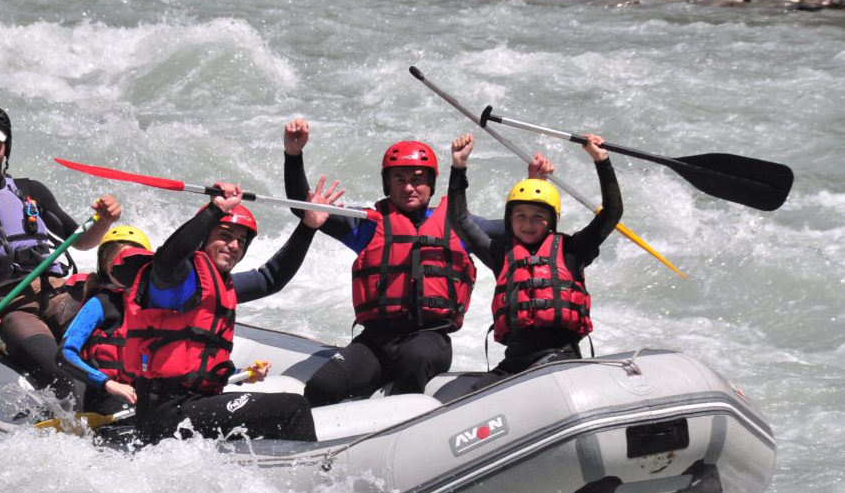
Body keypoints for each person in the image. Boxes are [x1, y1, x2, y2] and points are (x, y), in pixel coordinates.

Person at [282, 118, 555, 407]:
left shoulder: (459, 224)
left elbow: (521, 229)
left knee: (416, 359)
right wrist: (293, 155)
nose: (409, 187)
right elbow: (304, 207)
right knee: (323, 387)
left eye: (417, 179)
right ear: (388, 184)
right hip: (375, 340)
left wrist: (535, 184)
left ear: (431, 184)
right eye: (400, 180)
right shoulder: (367, 224)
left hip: (430, 338)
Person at [109, 179, 345, 445]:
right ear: (203, 238)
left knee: (273, 414)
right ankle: (313, 478)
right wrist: (215, 210)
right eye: (225, 235)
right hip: (167, 411)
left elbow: (270, 279)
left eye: (241, 241)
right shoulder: (178, 280)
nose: (234, 246)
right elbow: (167, 259)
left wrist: (307, 227)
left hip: (196, 404)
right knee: (293, 408)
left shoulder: (221, 285)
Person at [0, 104, 121, 401]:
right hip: (8, 309)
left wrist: (105, 220)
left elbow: (81, 241)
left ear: (6, 148)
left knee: (111, 346)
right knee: (60, 371)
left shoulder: (30, 190)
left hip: (57, 294)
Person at [450, 131, 623, 389]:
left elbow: (611, 213)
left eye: (537, 217)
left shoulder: (572, 250)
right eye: (520, 216)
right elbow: (460, 220)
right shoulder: (502, 254)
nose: (528, 224)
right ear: (510, 220)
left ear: (552, 220)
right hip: (516, 360)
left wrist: (602, 161)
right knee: (472, 398)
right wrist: (459, 166)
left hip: (559, 355)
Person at [56, 225, 153, 416]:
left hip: (142, 395)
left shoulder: (151, 305)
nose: (120, 267)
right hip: (106, 396)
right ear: (104, 267)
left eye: (129, 261)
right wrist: (109, 384)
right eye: (113, 262)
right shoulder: (100, 302)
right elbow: (64, 354)